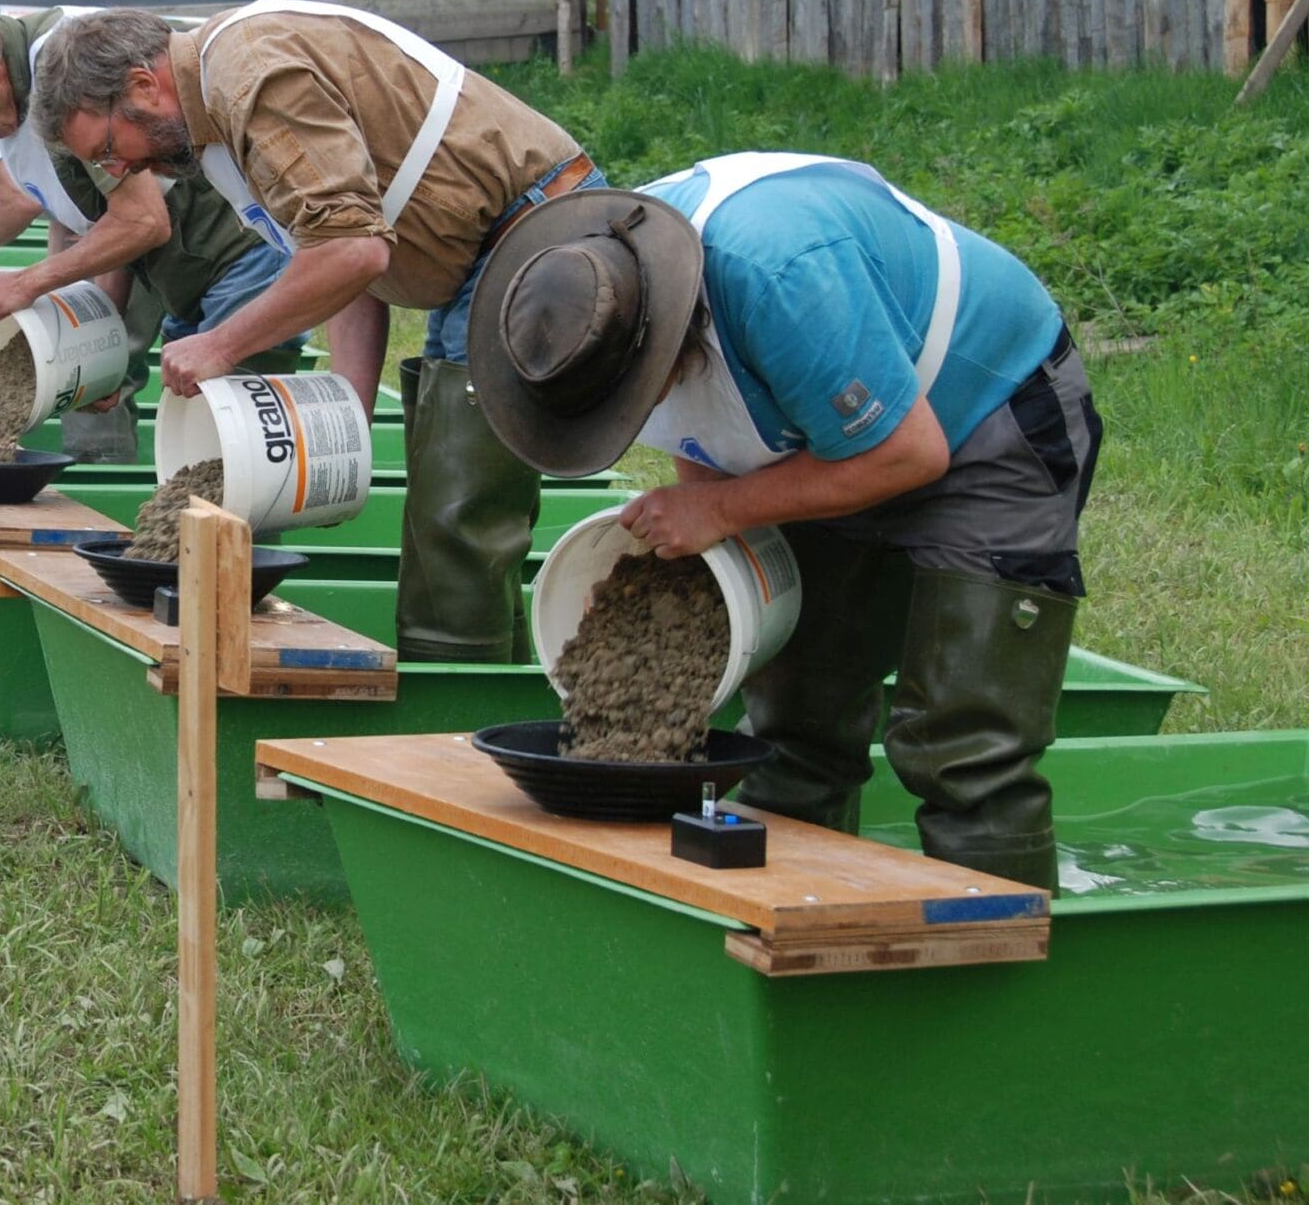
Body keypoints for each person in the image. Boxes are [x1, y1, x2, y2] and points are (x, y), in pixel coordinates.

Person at [463, 154, 1102, 889]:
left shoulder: (779, 277)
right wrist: (710, 531)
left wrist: (719, 510)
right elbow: (703, 428)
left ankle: (1006, 973)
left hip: (985, 413)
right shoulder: (590, 301)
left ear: (665, 337)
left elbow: (908, 453)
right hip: (828, 429)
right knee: (798, 720)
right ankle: (803, 940)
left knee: (962, 744)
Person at [29, 0, 600, 659]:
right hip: (476, 253)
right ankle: (469, 702)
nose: (122, 170)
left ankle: (454, 732)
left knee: (459, 515)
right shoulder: (217, 121)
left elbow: (352, 250)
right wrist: (350, 407)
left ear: (141, 87)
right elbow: (339, 257)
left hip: (525, 236)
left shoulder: (252, 78)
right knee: (445, 504)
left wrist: (222, 343)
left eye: (107, 148)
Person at [0, 2, 301, 457]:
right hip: (185, 272)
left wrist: (28, 281)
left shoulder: (64, 75)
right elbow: (92, 221)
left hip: (239, 254)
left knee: (233, 449)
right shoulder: (10, 106)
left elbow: (142, 221)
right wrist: (102, 347)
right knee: (196, 446)